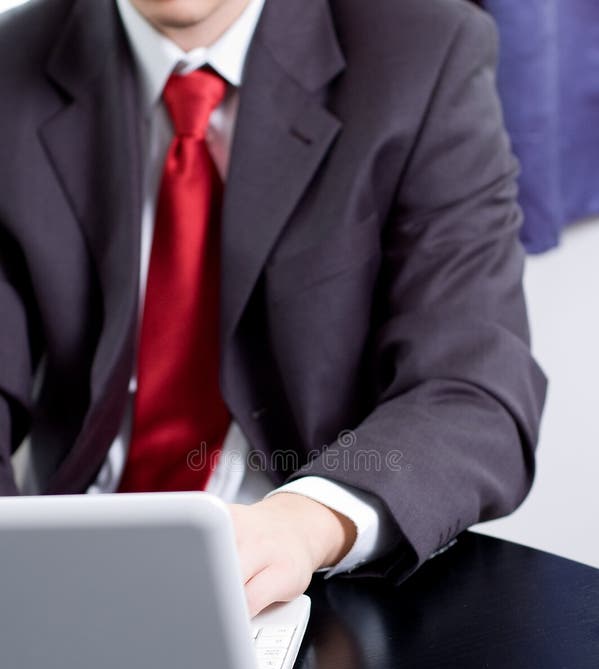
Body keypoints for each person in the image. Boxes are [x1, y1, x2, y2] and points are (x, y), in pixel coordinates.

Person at [0, 0, 546, 614]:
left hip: (317, 578)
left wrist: (305, 523)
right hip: (73, 566)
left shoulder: (425, 49)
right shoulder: (13, 61)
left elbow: (475, 387)